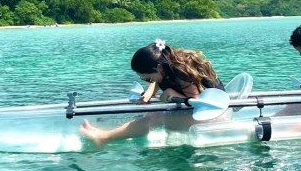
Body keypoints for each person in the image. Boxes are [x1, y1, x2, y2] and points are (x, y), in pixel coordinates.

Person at [79, 40, 224, 147]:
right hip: (204, 110)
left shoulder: (182, 72)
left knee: (153, 118)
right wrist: (149, 93)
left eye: (147, 77)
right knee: (151, 114)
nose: (147, 80)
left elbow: (197, 102)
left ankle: (104, 138)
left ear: (159, 68)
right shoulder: (166, 63)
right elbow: (158, 81)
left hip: (213, 114)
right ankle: (106, 134)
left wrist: (171, 93)